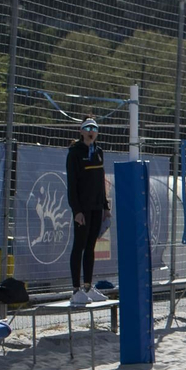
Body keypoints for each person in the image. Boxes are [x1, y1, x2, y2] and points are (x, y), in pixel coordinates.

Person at [66, 117, 110, 306]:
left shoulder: (99, 151)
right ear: (81, 131)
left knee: (91, 246)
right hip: (82, 208)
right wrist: (77, 210)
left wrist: (106, 207)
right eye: (87, 128)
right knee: (79, 245)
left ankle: (88, 286)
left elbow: (101, 181)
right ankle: (76, 289)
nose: (91, 131)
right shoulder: (74, 153)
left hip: (96, 206)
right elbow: (72, 185)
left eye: (94, 128)